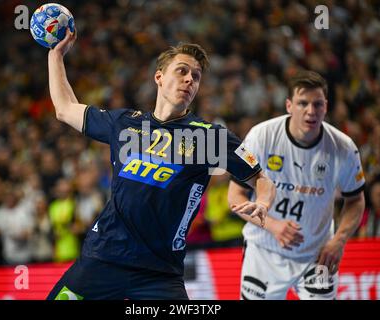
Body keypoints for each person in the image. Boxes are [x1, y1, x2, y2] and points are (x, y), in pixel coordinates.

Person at [46, 29, 276, 300]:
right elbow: (64, 108)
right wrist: (56, 54)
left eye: (196, 77)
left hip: (159, 275)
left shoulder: (209, 137)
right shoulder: (124, 124)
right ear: (159, 77)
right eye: (182, 71)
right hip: (103, 259)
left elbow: (260, 177)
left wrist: (262, 203)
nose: (190, 79)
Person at [228, 70, 366, 300]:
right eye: (303, 103)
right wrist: (273, 225)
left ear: (326, 106)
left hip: (318, 253)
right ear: (289, 105)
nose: (311, 111)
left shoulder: (344, 147)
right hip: (264, 251)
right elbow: (235, 197)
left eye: (317, 104)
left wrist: (339, 241)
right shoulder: (260, 136)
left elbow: (356, 200)